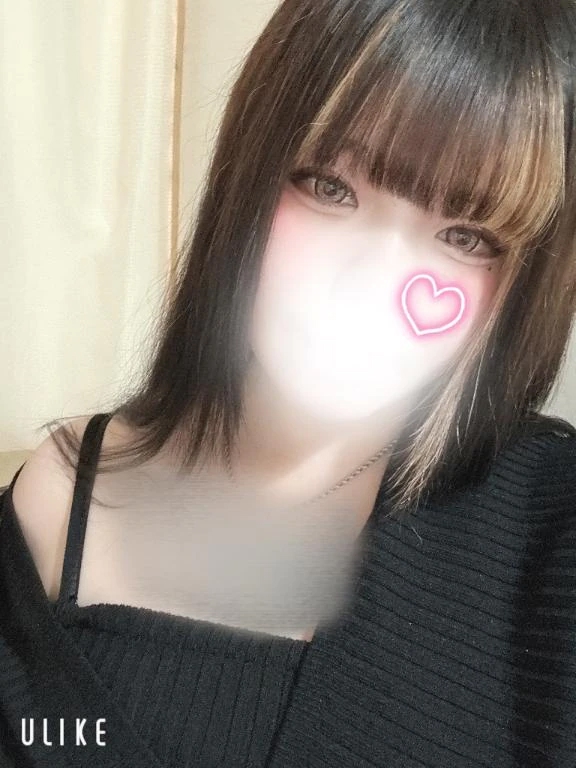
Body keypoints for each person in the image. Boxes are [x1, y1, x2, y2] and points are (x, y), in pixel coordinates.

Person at [1, 0, 575, 765]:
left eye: (465, 237)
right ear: (249, 165)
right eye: (329, 187)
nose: (370, 284)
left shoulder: (547, 527)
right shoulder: (58, 495)